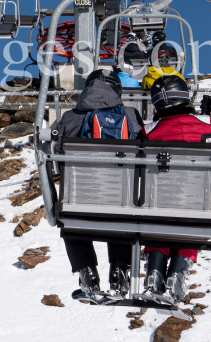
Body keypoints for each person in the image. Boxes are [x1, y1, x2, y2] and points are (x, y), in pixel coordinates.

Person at [139, 75, 211, 304]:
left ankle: (153, 276)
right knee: (190, 222)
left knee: (160, 222)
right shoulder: (206, 125)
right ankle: (175, 278)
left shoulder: (148, 131)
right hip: (197, 205)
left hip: (159, 205)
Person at [57, 69, 144, 301]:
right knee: (122, 211)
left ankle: (87, 272)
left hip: (80, 200)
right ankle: (120, 270)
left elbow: (52, 153)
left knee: (70, 213)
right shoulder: (131, 115)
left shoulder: (69, 118)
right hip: (121, 198)